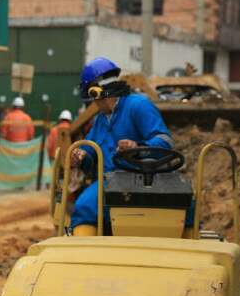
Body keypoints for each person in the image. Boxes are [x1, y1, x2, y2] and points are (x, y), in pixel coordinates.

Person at [69, 57, 175, 236]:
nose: (93, 102)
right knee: (84, 206)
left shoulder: (138, 105)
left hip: (142, 178)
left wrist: (138, 147)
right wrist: (81, 156)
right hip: (109, 182)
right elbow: (91, 150)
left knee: (84, 207)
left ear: (97, 92)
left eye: (91, 96)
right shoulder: (101, 120)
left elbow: (165, 141)